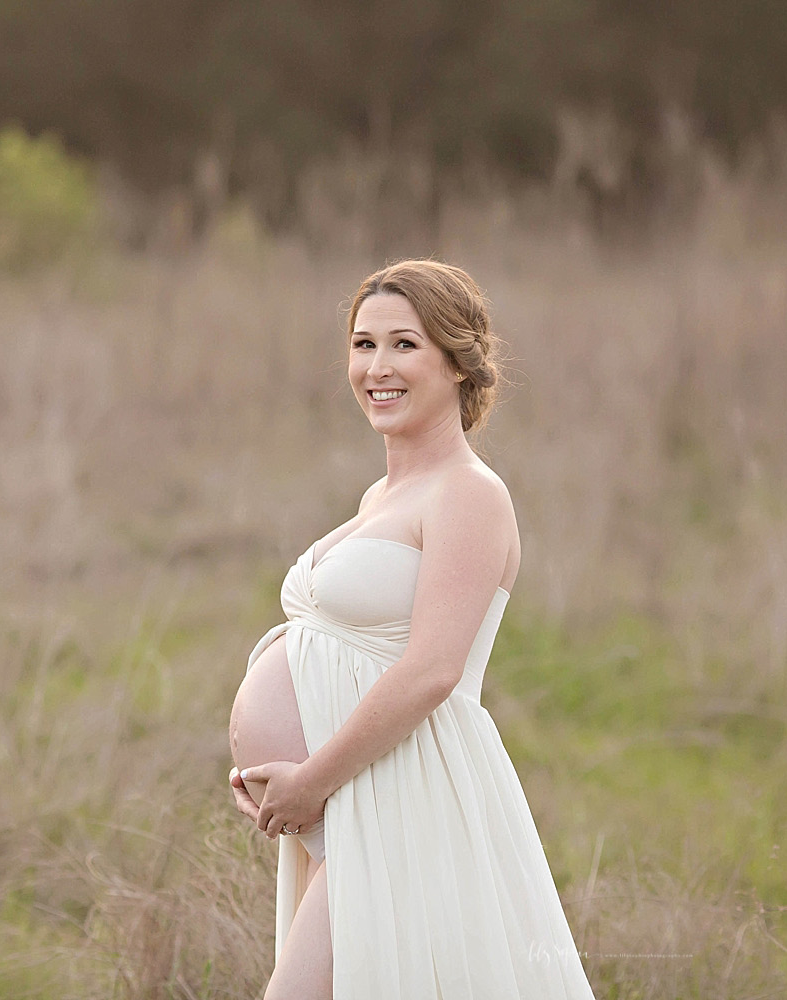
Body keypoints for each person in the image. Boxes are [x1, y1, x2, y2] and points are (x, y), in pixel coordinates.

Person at [225, 260, 596, 998]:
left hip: (404, 796)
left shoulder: (470, 495)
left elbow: (432, 670)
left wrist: (311, 780)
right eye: (363, 346)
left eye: (404, 345)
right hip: (351, 803)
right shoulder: (384, 493)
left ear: (459, 364)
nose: (376, 367)